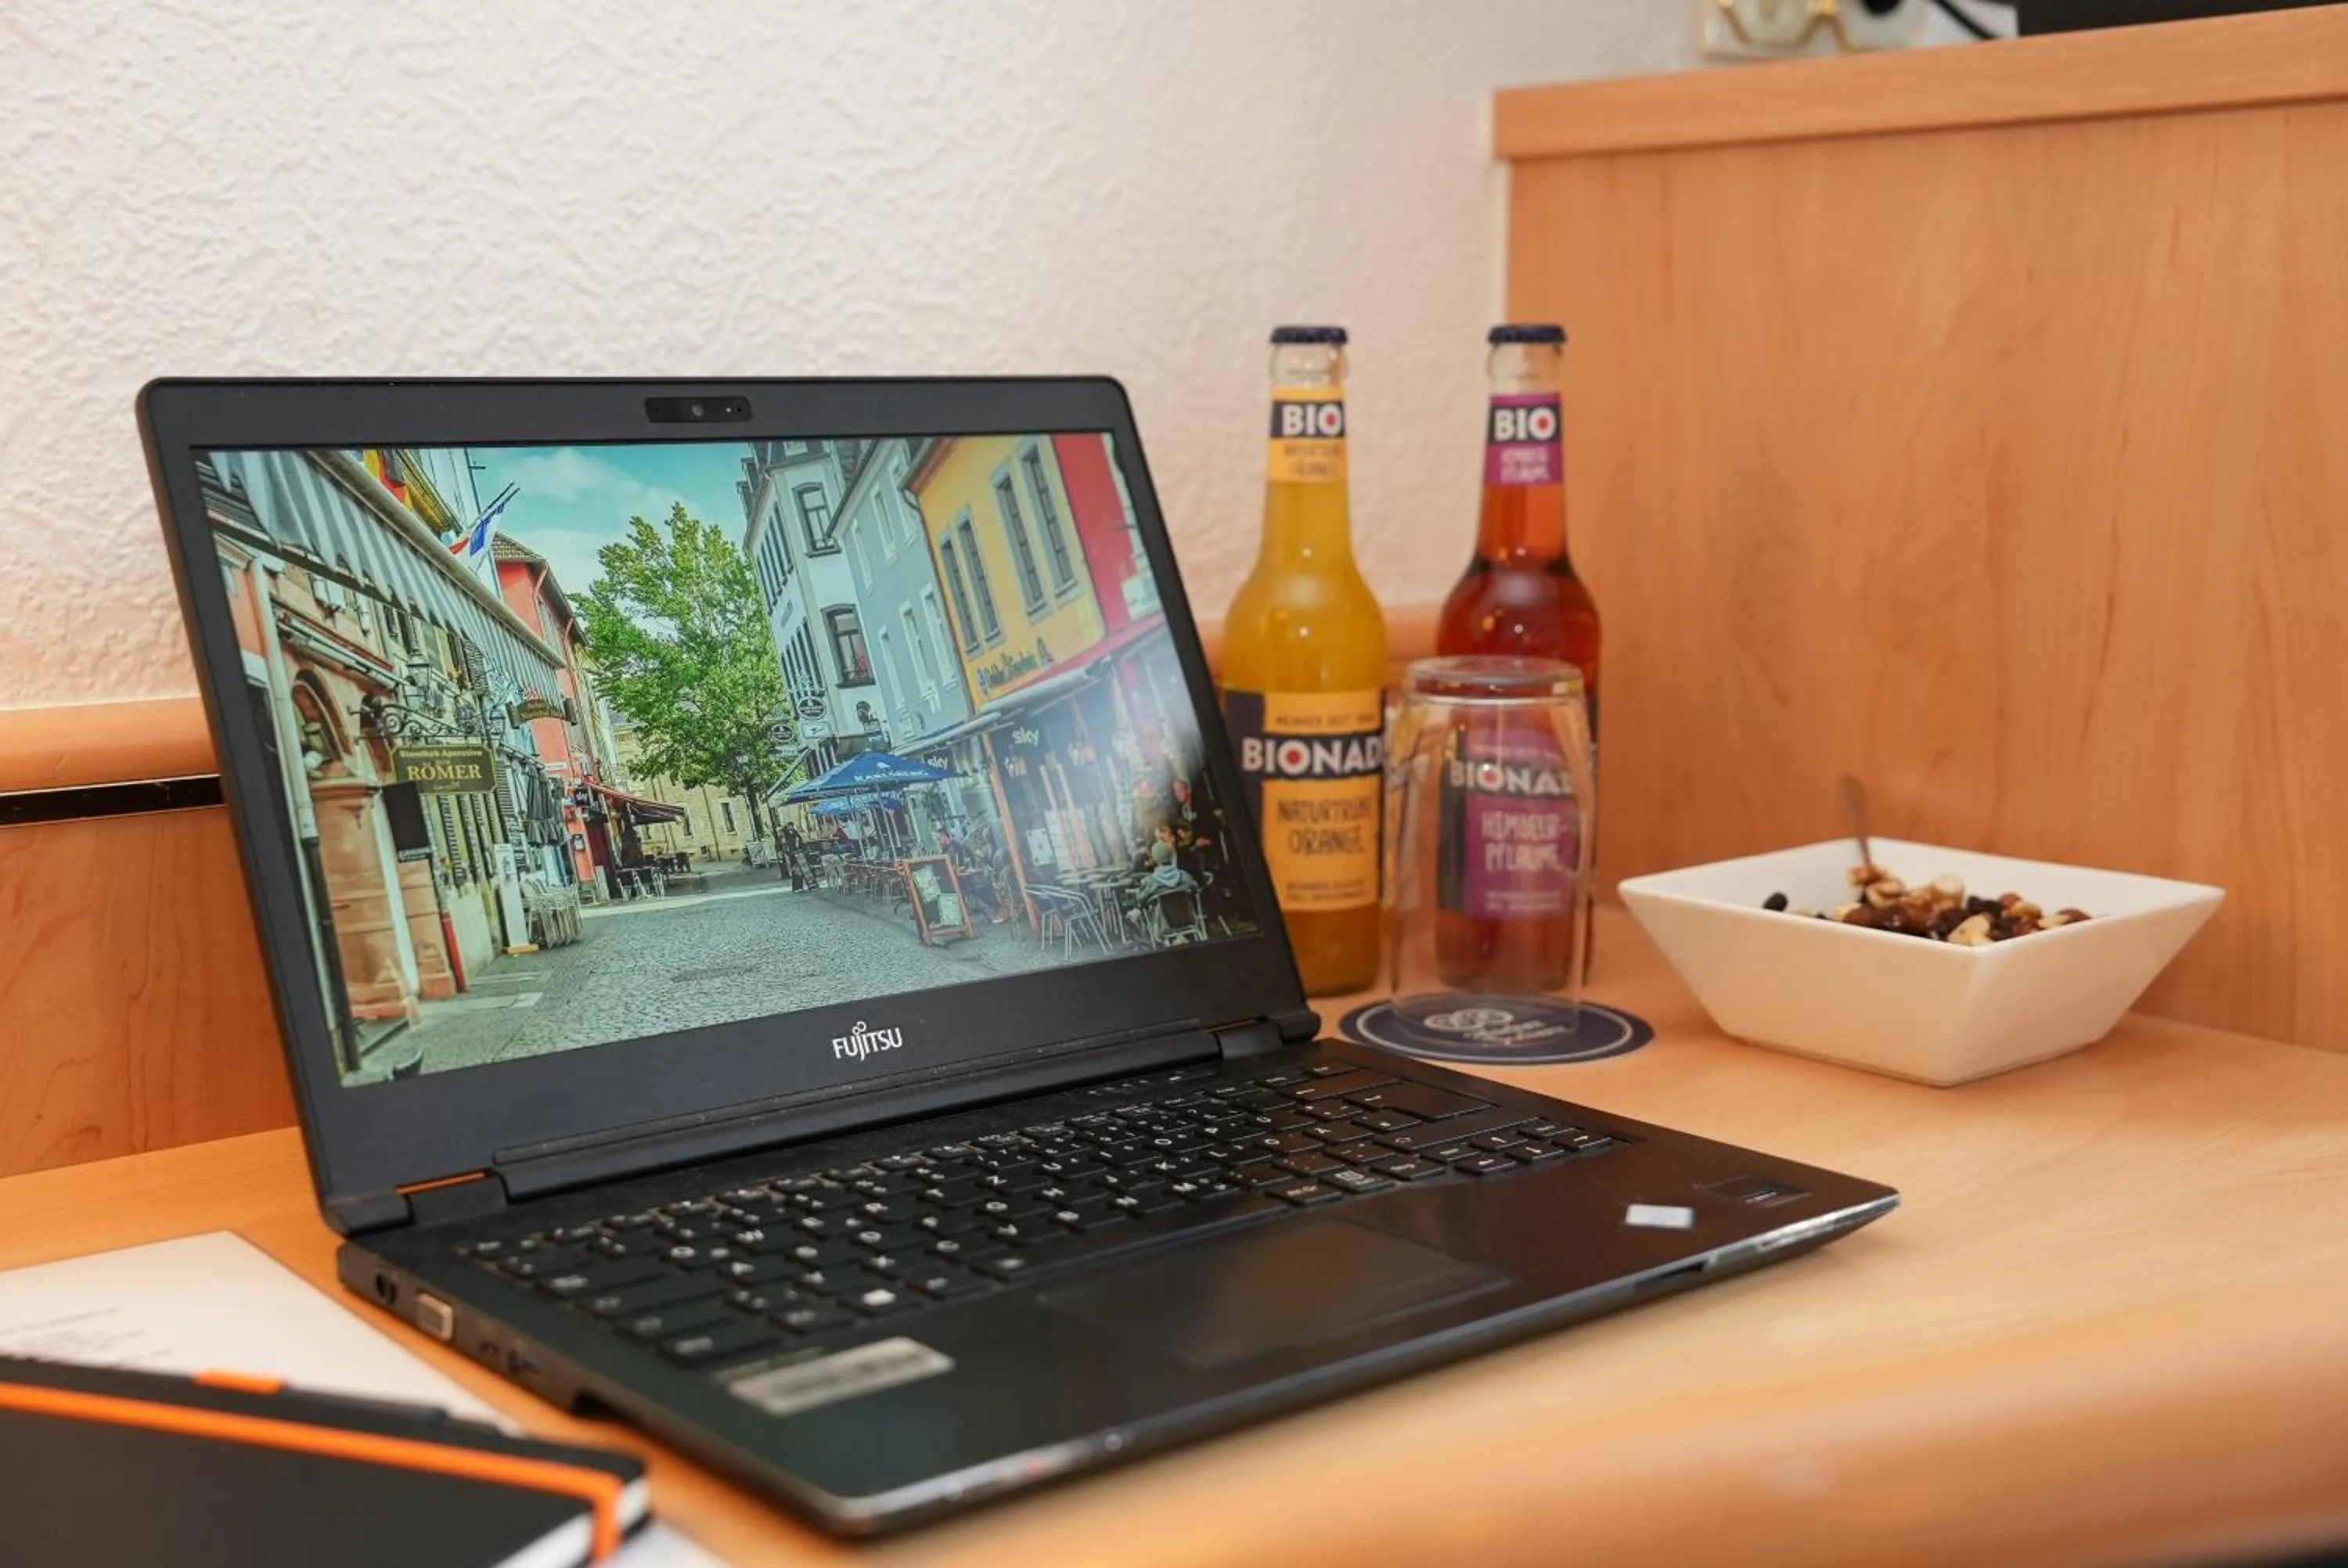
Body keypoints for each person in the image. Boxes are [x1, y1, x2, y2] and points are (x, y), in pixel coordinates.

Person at [935, 826, 1006, 923]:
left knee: (975, 889)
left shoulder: (955, 847)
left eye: (939, 839)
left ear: (944, 836)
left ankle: (996, 910)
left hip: (968, 876)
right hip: (961, 876)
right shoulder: (947, 849)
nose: (938, 842)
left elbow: (962, 863)